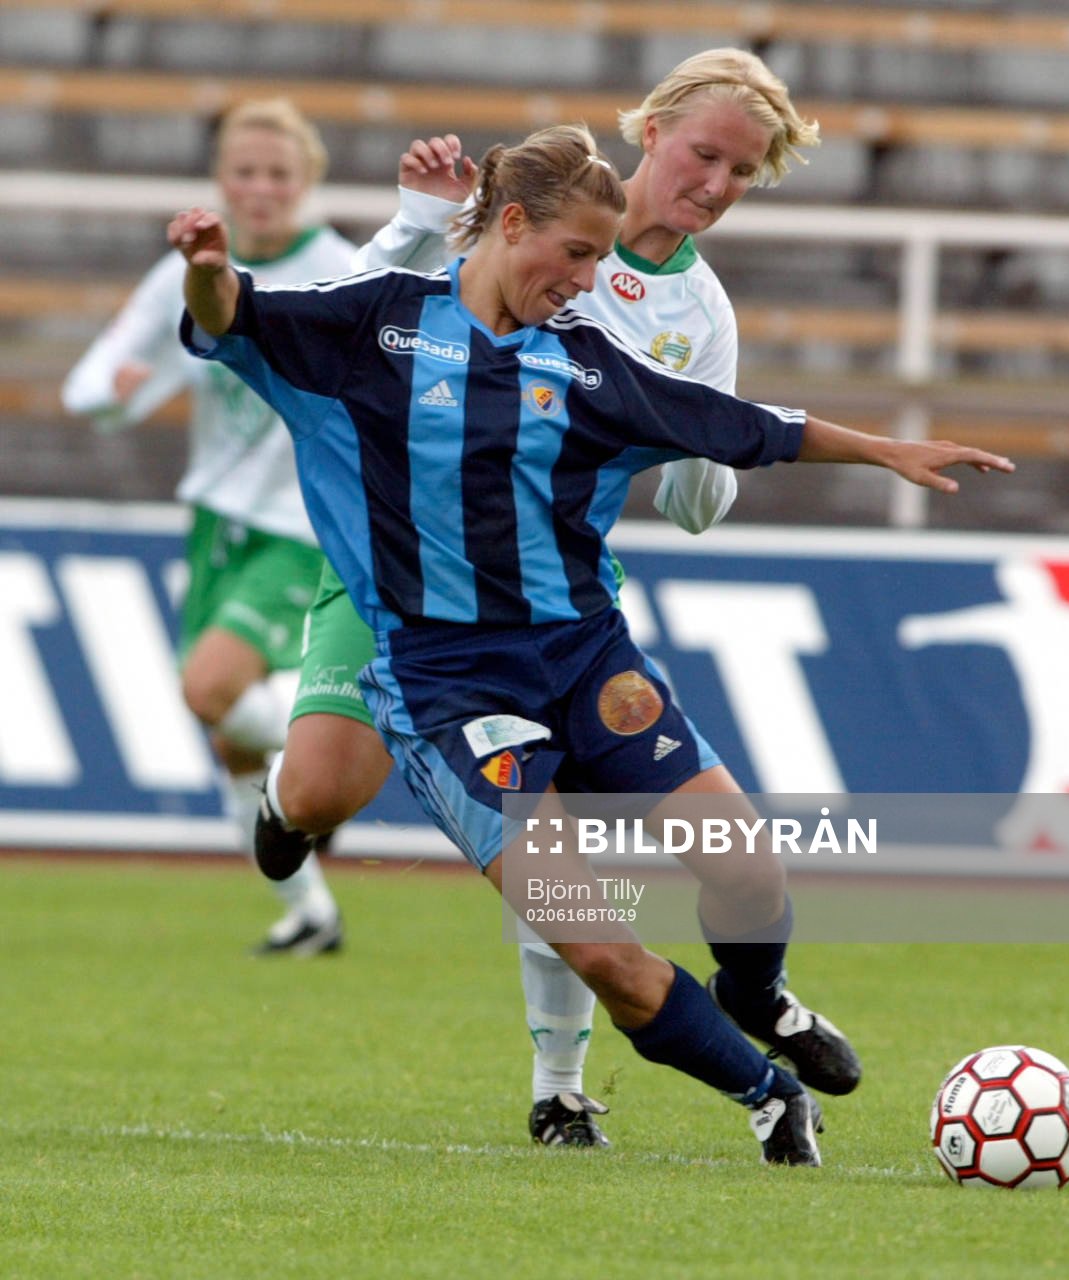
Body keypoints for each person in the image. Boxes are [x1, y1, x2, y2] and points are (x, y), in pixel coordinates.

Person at [171, 123, 1013, 1164]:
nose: (584, 282)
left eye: (597, 261)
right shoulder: (375, 326)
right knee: (598, 942)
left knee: (747, 866)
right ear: (509, 222)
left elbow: (735, 423)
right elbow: (235, 315)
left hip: (584, 661)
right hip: (447, 687)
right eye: (573, 255)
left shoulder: (582, 363)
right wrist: (207, 270)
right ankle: (769, 1096)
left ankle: (753, 993)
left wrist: (885, 450)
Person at [253, 48, 837, 1146]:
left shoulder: (700, 312)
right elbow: (346, 314)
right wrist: (414, 218)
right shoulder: (541, 207)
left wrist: (695, 442)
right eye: (704, 155)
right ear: (652, 131)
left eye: (741, 173)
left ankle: (561, 1088)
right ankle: (283, 813)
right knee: (325, 789)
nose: (715, 184)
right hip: (394, 568)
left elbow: (695, 497)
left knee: (560, 845)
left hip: (552, 589)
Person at [62, 98, 352, 954]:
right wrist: (117, 394)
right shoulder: (189, 270)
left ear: (307, 181)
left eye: (278, 174)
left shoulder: (339, 269)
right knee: (228, 736)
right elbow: (99, 377)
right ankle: (311, 914)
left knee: (208, 687)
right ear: (221, 180)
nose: (261, 188)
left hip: (301, 524)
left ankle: (326, 764)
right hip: (217, 521)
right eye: (245, 172)